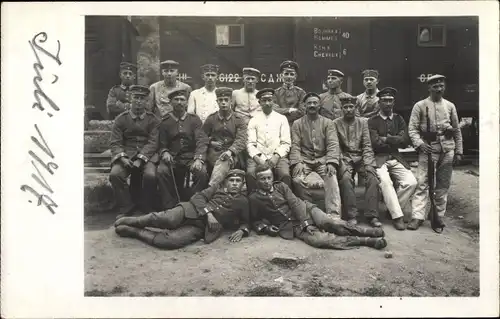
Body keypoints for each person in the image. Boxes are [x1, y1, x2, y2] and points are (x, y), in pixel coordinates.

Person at [249, 164, 387, 250]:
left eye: (269, 178)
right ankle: (366, 241)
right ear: (257, 180)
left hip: (306, 210)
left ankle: (364, 231)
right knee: (319, 240)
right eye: (263, 179)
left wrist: (306, 222)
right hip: (292, 226)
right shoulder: (254, 198)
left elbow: (295, 203)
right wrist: (266, 228)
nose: (267, 182)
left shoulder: (281, 186)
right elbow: (255, 220)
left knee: (329, 222)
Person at [114, 169, 250, 249]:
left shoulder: (243, 201)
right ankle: (133, 221)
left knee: (169, 242)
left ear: (242, 184)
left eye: (238, 181)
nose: (234, 183)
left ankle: (134, 232)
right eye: (232, 180)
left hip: (202, 228)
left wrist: (242, 230)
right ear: (226, 182)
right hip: (189, 210)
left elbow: (247, 220)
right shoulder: (215, 189)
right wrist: (208, 214)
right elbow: (197, 197)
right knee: (165, 219)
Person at [407, 74, 463, 230]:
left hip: (447, 149)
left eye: (441, 86)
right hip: (428, 149)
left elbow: (457, 130)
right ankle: (417, 216)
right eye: (435, 86)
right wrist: (420, 144)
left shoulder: (450, 106)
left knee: (443, 184)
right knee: (422, 183)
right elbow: (412, 129)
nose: (439, 89)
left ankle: (438, 216)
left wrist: (458, 150)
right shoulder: (420, 105)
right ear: (429, 88)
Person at [368, 87, 417, 230]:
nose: (388, 104)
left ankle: (393, 209)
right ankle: (397, 217)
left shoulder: (398, 119)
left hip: (396, 157)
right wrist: (395, 139)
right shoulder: (372, 121)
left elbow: (405, 140)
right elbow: (375, 143)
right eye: (384, 101)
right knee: (385, 182)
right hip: (379, 158)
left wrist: (386, 138)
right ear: (379, 103)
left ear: (393, 102)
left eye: (390, 101)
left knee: (411, 182)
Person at [109, 85, 160, 218]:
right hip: (127, 154)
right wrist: (123, 158)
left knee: (150, 176)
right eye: (136, 97)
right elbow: (115, 142)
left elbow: (153, 142)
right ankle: (126, 206)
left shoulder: (153, 119)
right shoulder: (121, 119)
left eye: (142, 98)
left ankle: (146, 205)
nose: (138, 101)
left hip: (147, 155)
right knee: (115, 174)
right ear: (130, 99)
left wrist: (141, 158)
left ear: (146, 101)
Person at [290, 92, 342, 218]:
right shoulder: (297, 123)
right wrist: (297, 162)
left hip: (323, 159)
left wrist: (331, 162)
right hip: (304, 160)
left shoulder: (328, 123)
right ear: (304, 106)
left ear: (319, 105)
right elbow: (295, 145)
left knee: (331, 177)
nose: (312, 105)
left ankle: (334, 215)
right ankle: (310, 212)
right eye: (309, 103)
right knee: (297, 180)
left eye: (315, 103)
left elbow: (333, 144)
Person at [156, 88, 209, 210]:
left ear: (186, 102)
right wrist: (164, 152)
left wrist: (198, 159)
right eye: (176, 99)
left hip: (191, 157)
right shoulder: (165, 121)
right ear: (171, 102)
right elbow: (161, 143)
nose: (179, 102)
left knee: (202, 172)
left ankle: (195, 204)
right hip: (172, 158)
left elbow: (201, 140)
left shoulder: (194, 120)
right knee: (162, 171)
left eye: (182, 99)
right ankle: (169, 206)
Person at [333, 96, 381, 227]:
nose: (348, 109)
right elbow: (336, 147)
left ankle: (372, 215)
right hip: (345, 158)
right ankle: (351, 215)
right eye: (345, 107)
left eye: (351, 107)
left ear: (356, 108)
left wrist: (369, 164)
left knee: (372, 177)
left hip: (361, 157)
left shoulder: (363, 122)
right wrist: (342, 163)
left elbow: (367, 145)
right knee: (346, 178)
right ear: (342, 109)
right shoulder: (336, 123)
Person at [246, 88, 291, 192]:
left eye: (269, 100)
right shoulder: (253, 120)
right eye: (264, 100)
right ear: (259, 102)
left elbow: (286, 143)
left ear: (273, 100)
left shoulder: (282, 118)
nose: (267, 103)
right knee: (250, 174)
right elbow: (250, 143)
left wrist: (276, 156)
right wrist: (258, 159)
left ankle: (283, 200)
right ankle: (254, 199)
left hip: (278, 156)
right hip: (258, 156)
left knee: (284, 175)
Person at [203, 87, 247, 186]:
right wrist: (211, 142)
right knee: (218, 161)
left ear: (231, 101)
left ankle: (211, 188)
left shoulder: (238, 119)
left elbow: (242, 139)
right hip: (214, 153)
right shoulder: (211, 119)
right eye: (221, 100)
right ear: (217, 102)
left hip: (233, 154)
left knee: (225, 160)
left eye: (226, 100)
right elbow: (202, 137)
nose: (223, 103)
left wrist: (230, 151)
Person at [272, 60, 306, 125]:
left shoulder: (301, 93)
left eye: (292, 74)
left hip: (297, 124)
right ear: (281, 75)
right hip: (279, 124)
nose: (289, 77)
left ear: (295, 77)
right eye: (286, 74)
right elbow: (274, 110)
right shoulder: (276, 93)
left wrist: (283, 112)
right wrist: (289, 110)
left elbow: (302, 111)